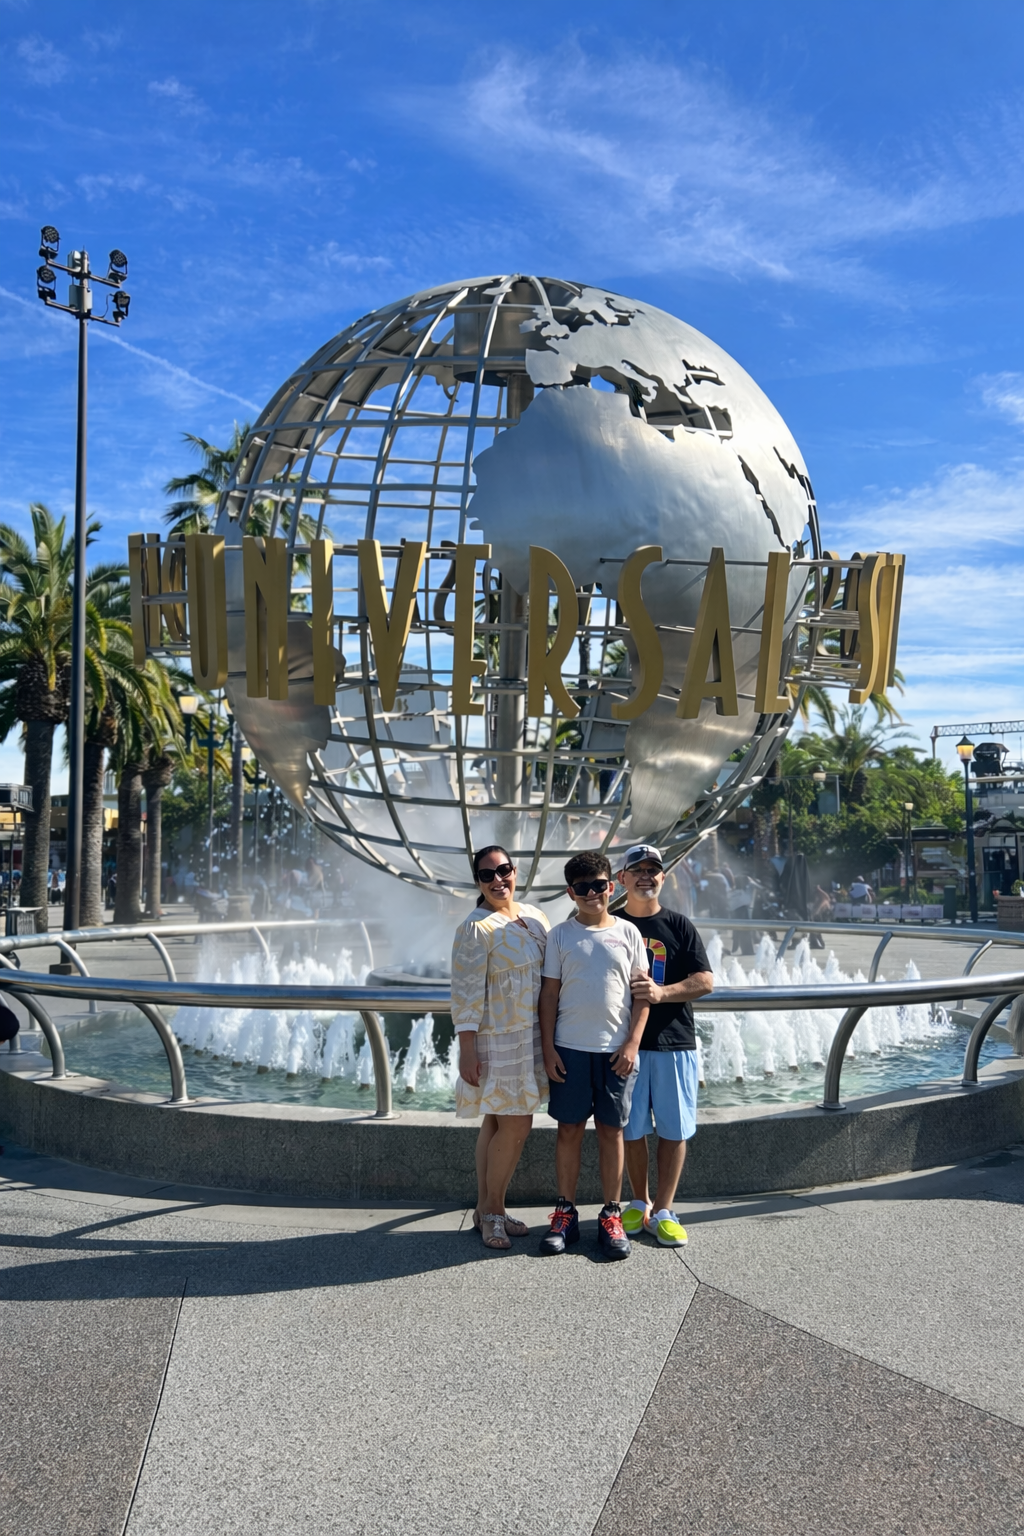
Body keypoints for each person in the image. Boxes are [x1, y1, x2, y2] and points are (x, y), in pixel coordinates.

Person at [538, 851, 650, 1261]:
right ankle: (564, 1213)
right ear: (571, 892)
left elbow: (642, 997)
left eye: (598, 885)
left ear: (612, 885)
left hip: (615, 1050)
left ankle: (611, 1213)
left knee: (611, 1131)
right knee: (568, 1130)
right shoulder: (561, 936)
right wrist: (548, 1047)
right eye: (582, 888)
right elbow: (549, 994)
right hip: (569, 1047)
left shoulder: (629, 934)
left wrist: (633, 1043)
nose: (591, 894)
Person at [451, 845, 550, 1252]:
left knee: (495, 1121)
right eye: (487, 875)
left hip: (531, 1036)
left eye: (504, 871)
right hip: (499, 1039)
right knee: (517, 1124)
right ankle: (493, 1210)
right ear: (477, 882)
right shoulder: (476, 927)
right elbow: (466, 992)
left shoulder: (535, 916)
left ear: (515, 871)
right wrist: (467, 1048)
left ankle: (486, 1207)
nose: (497, 880)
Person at [616, 845, 714, 1247]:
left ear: (663, 877)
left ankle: (665, 1209)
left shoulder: (679, 925)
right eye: (636, 869)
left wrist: (661, 992)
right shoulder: (610, 924)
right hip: (623, 1046)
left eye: (653, 870)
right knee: (631, 1128)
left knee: (674, 1130)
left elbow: (705, 981)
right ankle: (639, 1201)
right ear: (621, 879)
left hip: (674, 1043)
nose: (645, 876)